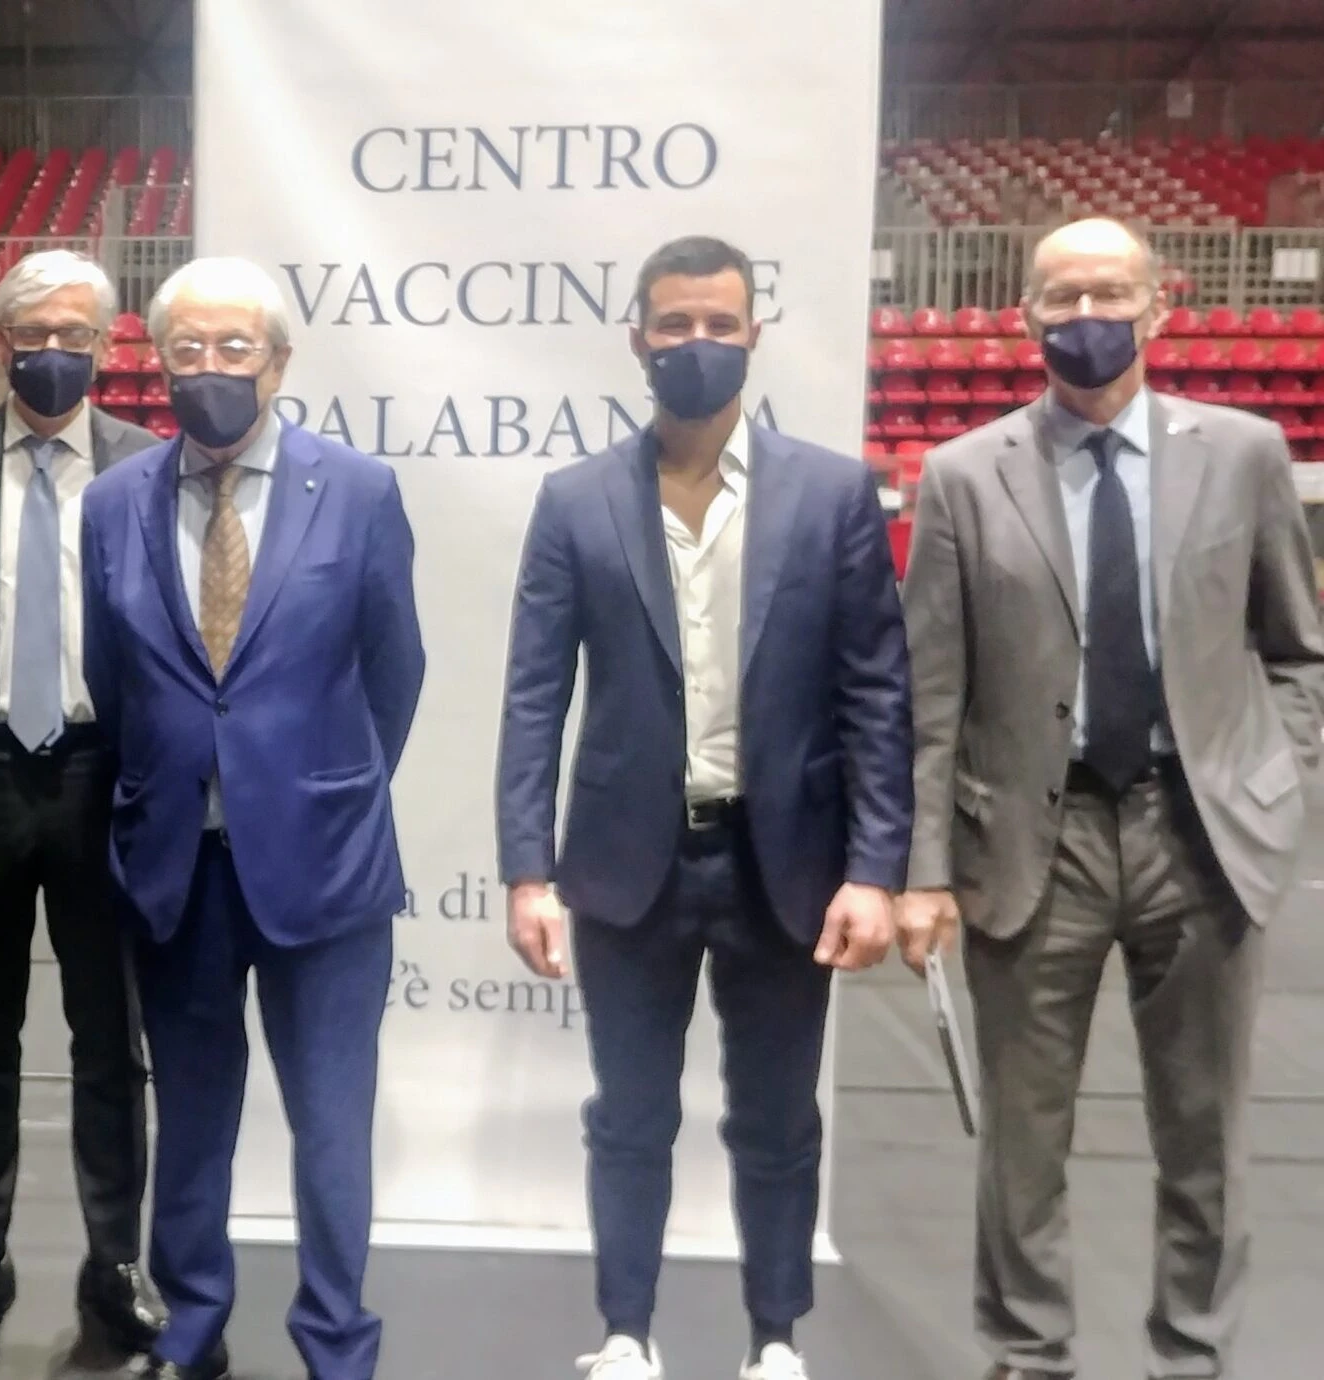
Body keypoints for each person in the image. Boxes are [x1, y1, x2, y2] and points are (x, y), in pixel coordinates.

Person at [899, 218, 1324, 1380]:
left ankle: (1191, 1356)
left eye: (1110, 293)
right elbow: (930, 696)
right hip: (1033, 839)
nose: (1087, 316)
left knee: (1204, 1132)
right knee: (1021, 1140)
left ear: (1159, 308)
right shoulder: (962, 475)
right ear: (1024, 316)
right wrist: (925, 868)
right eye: (1063, 296)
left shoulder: (1242, 452)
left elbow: (1296, 648)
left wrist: (1272, 783)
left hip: (1201, 832)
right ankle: (1026, 1353)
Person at [495, 236, 911, 1380]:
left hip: (786, 865)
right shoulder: (575, 501)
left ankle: (775, 1338)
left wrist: (876, 868)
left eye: (718, 325)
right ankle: (625, 1332)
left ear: (752, 336)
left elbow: (877, 694)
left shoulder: (829, 494)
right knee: (628, 1118)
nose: (696, 344)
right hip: (627, 866)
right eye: (674, 324)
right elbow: (533, 697)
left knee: (777, 1122)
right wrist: (526, 868)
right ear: (637, 337)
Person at [78, 256, 424, 1380]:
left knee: (330, 1122)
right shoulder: (114, 503)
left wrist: (317, 787)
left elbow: (395, 670)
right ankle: (191, 1328)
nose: (211, 368)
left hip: (324, 866)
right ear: (157, 362)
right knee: (190, 1116)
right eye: (188, 349)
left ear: (278, 362)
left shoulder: (358, 490)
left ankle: (335, 1337)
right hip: (176, 866)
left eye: (235, 348)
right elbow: (116, 681)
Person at [0, 248, 165, 1368]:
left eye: (75, 334)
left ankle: (116, 1261)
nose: (52, 352)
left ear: (107, 347)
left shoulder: (149, 469)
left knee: (110, 1039)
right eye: (32, 334)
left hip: (102, 778)